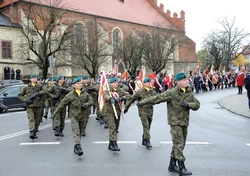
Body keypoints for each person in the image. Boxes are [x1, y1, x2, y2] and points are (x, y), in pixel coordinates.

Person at [137, 72, 200, 175]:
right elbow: (156, 98)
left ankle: (172, 164)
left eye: (186, 79)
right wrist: (142, 102)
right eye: (184, 80)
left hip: (185, 122)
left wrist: (188, 104)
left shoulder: (189, 92)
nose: (186, 81)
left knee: (180, 144)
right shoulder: (172, 93)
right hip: (174, 122)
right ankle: (181, 166)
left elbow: (197, 104)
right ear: (178, 82)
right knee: (179, 144)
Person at [52, 77, 93, 156]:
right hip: (74, 116)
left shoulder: (85, 94)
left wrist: (86, 104)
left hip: (83, 116)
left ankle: (76, 146)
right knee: (76, 131)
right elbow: (62, 104)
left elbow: (91, 101)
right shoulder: (70, 95)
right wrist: (54, 114)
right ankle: (78, 146)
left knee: (80, 132)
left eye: (80, 83)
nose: (80, 85)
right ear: (73, 85)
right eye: (78, 83)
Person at [124, 77, 157, 149]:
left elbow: (157, 99)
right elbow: (132, 99)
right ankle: (147, 140)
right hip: (143, 111)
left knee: (148, 126)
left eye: (150, 82)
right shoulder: (140, 92)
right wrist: (126, 107)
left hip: (150, 111)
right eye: (147, 82)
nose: (149, 83)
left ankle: (144, 139)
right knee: (145, 125)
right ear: (144, 83)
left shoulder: (153, 91)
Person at [104, 77, 131, 151]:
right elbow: (105, 96)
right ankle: (115, 143)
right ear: (111, 84)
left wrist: (122, 98)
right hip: (109, 111)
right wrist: (110, 99)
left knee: (116, 128)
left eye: (117, 82)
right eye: (114, 82)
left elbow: (128, 95)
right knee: (112, 127)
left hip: (117, 112)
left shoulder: (120, 90)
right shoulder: (108, 91)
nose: (116, 83)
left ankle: (111, 144)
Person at [18, 74, 48, 139]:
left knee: (37, 120)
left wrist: (38, 93)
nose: (34, 79)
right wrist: (26, 100)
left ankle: (35, 131)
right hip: (30, 106)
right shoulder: (26, 87)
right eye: (33, 78)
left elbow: (46, 91)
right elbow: (20, 95)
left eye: (35, 78)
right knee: (31, 119)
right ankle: (31, 131)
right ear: (30, 79)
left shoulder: (40, 86)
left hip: (38, 105)